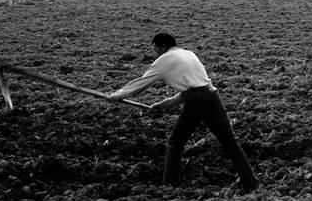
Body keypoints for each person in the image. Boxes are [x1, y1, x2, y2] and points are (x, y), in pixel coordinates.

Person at [108, 32, 257, 192]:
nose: (155, 53)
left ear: (163, 47)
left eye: (155, 49)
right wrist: (167, 104)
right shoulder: (188, 54)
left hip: (197, 101)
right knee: (230, 142)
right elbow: (197, 85)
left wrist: (118, 95)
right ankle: (251, 183)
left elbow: (143, 83)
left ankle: (169, 186)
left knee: (175, 143)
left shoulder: (165, 59)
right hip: (212, 96)